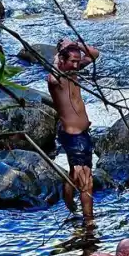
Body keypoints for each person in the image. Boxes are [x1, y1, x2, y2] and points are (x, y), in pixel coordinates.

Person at [48, 38, 100, 224]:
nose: (77, 64)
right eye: (73, 61)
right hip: (74, 136)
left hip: (79, 135)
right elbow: (52, 78)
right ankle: (89, 222)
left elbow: (94, 54)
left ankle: (69, 204)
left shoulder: (73, 71)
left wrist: (76, 45)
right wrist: (58, 56)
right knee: (86, 181)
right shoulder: (58, 77)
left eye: (78, 61)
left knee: (74, 173)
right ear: (62, 60)